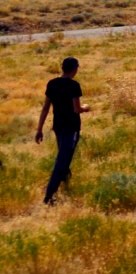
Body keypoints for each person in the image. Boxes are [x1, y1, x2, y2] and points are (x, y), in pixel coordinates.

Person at [36, 56, 89, 205]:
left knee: (63, 156)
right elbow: (76, 109)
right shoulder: (74, 86)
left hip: (58, 127)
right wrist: (85, 108)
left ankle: (66, 183)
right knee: (62, 161)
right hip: (71, 128)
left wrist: (39, 129)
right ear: (74, 69)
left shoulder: (52, 84)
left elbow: (46, 107)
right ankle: (49, 196)